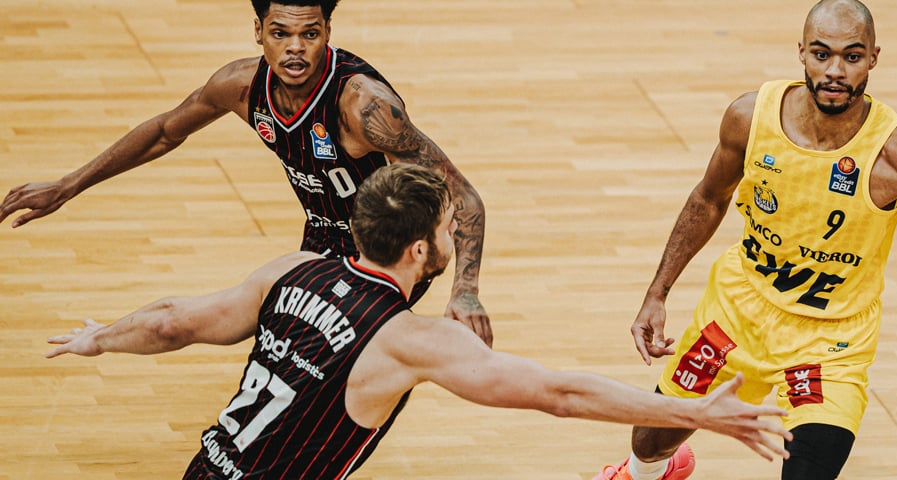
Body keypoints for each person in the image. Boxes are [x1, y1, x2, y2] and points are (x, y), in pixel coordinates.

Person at [591, 1, 897, 479]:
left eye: (852, 57)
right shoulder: (750, 117)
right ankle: (650, 473)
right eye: (822, 53)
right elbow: (708, 199)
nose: (835, 70)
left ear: (872, 59)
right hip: (736, 314)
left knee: (810, 468)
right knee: (648, 443)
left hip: (831, 343)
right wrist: (657, 294)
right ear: (802, 52)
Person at [45, 162, 794, 479]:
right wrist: (696, 412)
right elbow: (560, 394)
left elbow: (176, 321)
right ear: (418, 250)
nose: (452, 238)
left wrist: (98, 338)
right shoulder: (408, 341)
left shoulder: (291, 269)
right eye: (445, 228)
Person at [0, 0, 493, 345]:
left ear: (327, 33)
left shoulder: (364, 107)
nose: (295, 48)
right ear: (258, 31)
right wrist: (69, 185)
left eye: (310, 33)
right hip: (321, 241)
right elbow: (165, 131)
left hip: (388, 254)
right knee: (283, 353)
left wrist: (465, 292)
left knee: (322, 368)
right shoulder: (241, 87)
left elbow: (465, 197)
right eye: (280, 33)